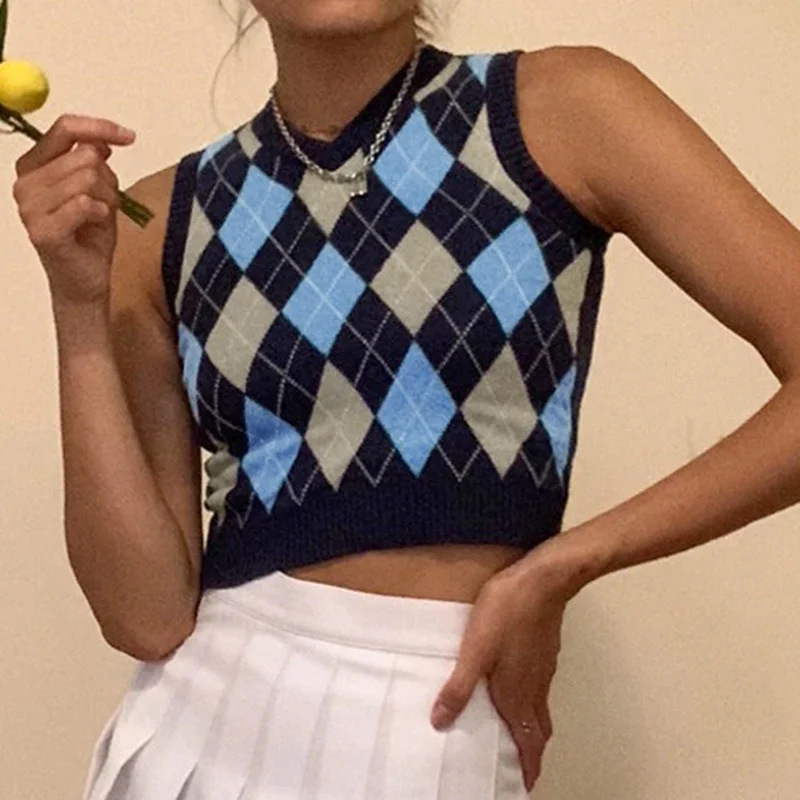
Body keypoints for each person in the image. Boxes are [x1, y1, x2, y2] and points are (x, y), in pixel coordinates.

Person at [12, 1, 800, 797]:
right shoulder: (160, 221)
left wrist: (563, 566)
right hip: (204, 719)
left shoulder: (563, 111)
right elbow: (146, 617)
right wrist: (77, 305)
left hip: (440, 712)